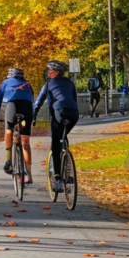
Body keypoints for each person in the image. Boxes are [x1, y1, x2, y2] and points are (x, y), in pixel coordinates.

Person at [33, 60, 80, 193]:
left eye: (50, 70)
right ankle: (68, 171)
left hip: (59, 113)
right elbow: (74, 100)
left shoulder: (48, 85)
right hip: (73, 114)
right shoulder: (70, 83)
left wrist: (33, 116)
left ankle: (58, 177)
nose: (48, 72)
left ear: (56, 72)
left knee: (55, 144)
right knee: (63, 137)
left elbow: (38, 102)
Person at [0, 68, 35, 184]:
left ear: (9, 76)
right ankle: (28, 174)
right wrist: (33, 117)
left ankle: (8, 160)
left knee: (9, 129)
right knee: (25, 143)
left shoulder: (5, 83)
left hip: (13, 107)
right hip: (26, 108)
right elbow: (32, 101)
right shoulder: (27, 84)